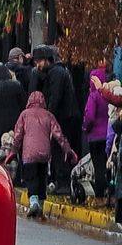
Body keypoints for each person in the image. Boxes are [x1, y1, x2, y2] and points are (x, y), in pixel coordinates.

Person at [8, 91, 78, 218]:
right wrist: (68, 150)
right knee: (42, 178)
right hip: (45, 153)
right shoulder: (49, 115)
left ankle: (34, 203)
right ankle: (41, 205)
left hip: (29, 153)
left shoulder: (24, 115)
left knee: (31, 178)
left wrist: (13, 151)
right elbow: (59, 135)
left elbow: (18, 135)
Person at [29, 44, 80, 193]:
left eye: (39, 61)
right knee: (58, 148)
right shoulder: (56, 72)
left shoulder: (56, 73)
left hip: (63, 117)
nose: (37, 65)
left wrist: (48, 118)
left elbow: (55, 98)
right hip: (65, 116)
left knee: (59, 148)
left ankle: (63, 183)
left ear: (47, 60)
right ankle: (61, 181)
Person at [83, 64, 110, 200]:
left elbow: (90, 116)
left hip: (95, 137)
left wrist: (85, 128)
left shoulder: (93, 96)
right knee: (107, 166)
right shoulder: (108, 96)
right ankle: (110, 194)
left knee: (98, 168)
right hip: (108, 136)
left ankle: (99, 196)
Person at [0, 64, 26, 155]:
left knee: (0, 146)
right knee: (15, 143)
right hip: (15, 120)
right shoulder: (17, 85)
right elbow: (23, 103)